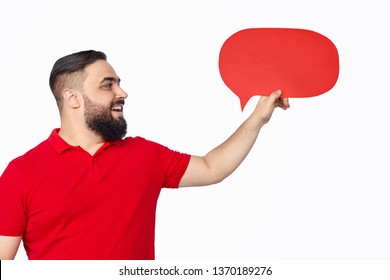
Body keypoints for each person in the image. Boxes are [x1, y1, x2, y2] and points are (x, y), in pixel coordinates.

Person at [0, 50, 289, 260]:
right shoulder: (21, 173)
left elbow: (213, 167)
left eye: (118, 83)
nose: (122, 92)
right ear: (72, 98)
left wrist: (258, 118)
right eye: (108, 85)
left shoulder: (144, 155)